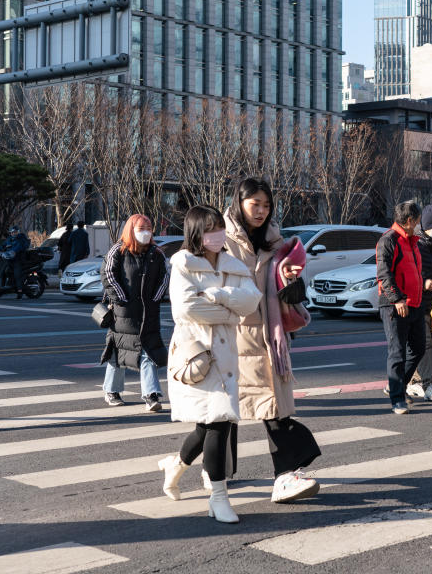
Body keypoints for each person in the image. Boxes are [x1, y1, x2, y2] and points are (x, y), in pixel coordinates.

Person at [158, 205, 261, 523]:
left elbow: (250, 301)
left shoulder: (234, 264)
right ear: (195, 232)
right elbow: (187, 308)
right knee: (217, 421)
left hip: (227, 356)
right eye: (209, 228)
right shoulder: (183, 264)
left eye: (219, 226)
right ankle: (218, 498)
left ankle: (176, 465)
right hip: (197, 354)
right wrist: (231, 310)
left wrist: (218, 295)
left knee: (209, 424)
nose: (217, 233)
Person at [225, 178, 321, 504]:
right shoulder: (222, 240)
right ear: (239, 202)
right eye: (255, 204)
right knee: (228, 416)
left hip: (271, 335)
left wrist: (292, 282)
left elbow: (286, 280)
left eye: (266, 205)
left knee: (273, 408)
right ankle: (196, 467)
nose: (262, 211)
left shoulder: (274, 240)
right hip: (236, 336)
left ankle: (283, 475)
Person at [99, 214, 169, 412]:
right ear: (131, 229)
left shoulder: (156, 253)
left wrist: (155, 299)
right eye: (141, 228)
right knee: (118, 351)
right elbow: (108, 274)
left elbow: (164, 278)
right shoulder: (118, 250)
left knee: (148, 351)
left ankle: (151, 394)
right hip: (123, 313)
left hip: (148, 313)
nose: (146, 232)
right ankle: (112, 390)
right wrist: (122, 298)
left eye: (148, 228)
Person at [376, 200, 426, 415]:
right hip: (395, 305)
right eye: (417, 221)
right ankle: (397, 399)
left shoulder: (413, 241)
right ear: (409, 221)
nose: (418, 224)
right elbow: (384, 274)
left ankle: (395, 385)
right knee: (397, 352)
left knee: (418, 348)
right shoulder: (389, 240)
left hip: (415, 303)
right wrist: (397, 299)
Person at [406, 204, 432, 402]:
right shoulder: (416, 246)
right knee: (425, 344)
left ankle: (411, 382)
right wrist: (425, 283)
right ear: (427, 227)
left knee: (426, 344)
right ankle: (430, 384)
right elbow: (409, 275)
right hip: (418, 303)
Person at [0, 225, 29, 298]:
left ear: (18, 232)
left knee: (17, 275)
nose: (13, 234)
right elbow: (2, 246)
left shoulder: (21, 238)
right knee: (2, 272)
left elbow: (20, 246)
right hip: (9, 259)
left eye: (15, 232)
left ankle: (20, 292)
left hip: (18, 260)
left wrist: (14, 251)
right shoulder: (9, 239)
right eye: (12, 232)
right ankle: (2, 290)